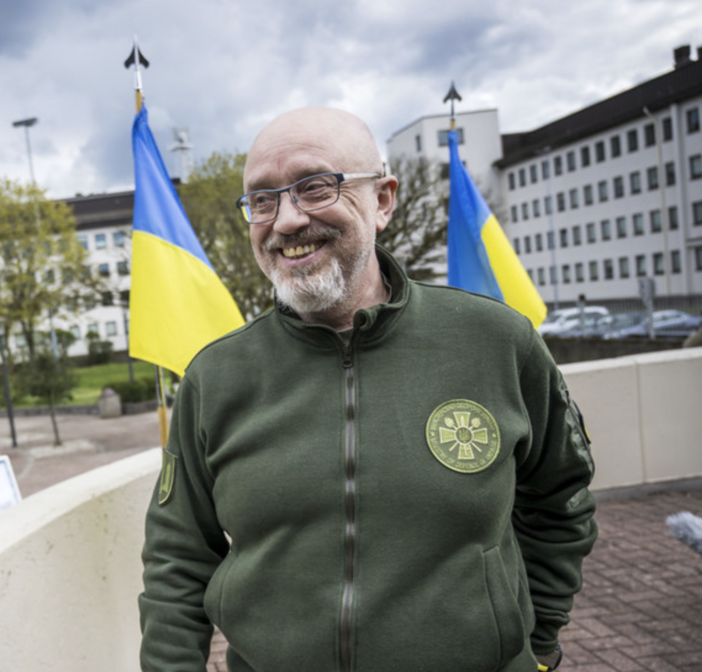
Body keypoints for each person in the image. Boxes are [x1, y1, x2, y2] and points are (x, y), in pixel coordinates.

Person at [139, 107, 597, 672]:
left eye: (314, 187)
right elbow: (177, 559)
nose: (286, 220)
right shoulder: (214, 377)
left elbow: (560, 500)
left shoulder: (497, 342)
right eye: (262, 200)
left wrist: (539, 640)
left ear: (382, 200)